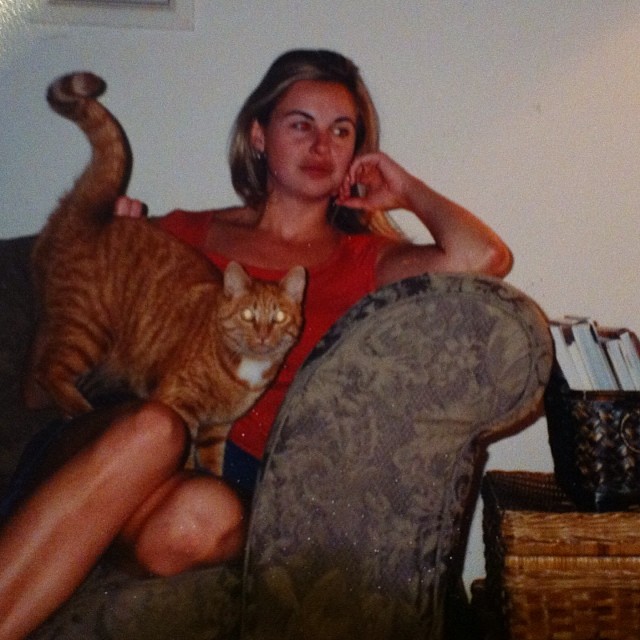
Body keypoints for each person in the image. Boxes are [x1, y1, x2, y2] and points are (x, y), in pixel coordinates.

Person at [0, 49, 511, 640]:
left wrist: (407, 190)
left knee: (197, 522)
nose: (321, 146)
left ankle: (60, 549)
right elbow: (75, 316)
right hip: (112, 435)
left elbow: (484, 257)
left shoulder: (367, 261)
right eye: (301, 124)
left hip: (226, 477)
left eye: (340, 131)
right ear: (259, 135)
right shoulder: (189, 231)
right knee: (158, 428)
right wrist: (110, 243)